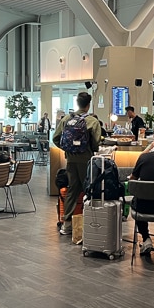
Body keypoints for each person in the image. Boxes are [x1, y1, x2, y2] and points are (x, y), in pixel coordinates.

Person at [53, 92, 101, 235]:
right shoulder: (92, 121)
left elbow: (56, 138)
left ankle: (67, 224)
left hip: (71, 160)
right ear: (88, 105)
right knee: (89, 190)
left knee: (72, 190)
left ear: (77, 103)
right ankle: (89, 224)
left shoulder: (67, 119)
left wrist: (68, 150)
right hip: (86, 160)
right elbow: (96, 142)